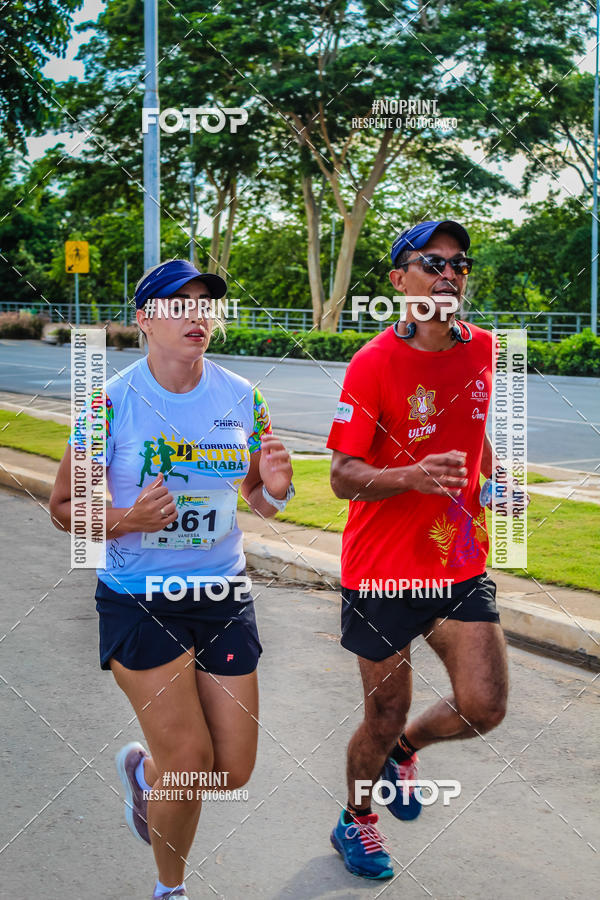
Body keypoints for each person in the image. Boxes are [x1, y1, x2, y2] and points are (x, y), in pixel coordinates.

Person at [50, 259, 294, 900]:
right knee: (191, 767)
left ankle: (144, 776)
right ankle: (170, 889)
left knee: (231, 769)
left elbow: (259, 503)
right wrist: (127, 517)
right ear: (143, 320)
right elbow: (63, 509)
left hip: (222, 596)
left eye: (204, 303)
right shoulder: (108, 403)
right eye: (177, 303)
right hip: (139, 599)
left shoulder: (243, 396)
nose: (196, 314)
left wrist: (276, 490)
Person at [327, 220, 525, 879]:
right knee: (384, 713)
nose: (449, 272)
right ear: (398, 280)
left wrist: (495, 479)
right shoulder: (373, 363)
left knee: (484, 705)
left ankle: (405, 752)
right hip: (381, 572)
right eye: (431, 261)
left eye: (459, 264)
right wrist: (410, 476)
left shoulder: (487, 351)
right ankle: (355, 821)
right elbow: (341, 475)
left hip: (459, 562)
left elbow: (472, 433)